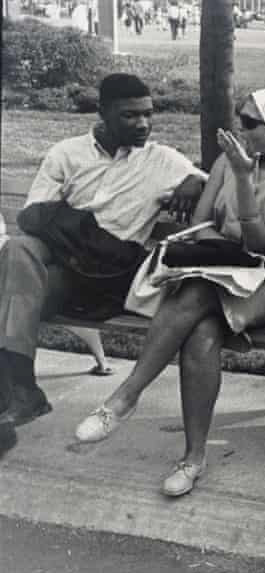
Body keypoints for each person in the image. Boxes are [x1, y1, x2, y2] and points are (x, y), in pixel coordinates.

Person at [74, 86, 265, 498]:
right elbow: (204, 220)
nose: (239, 130)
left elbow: (261, 243)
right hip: (218, 269)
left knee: (196, 295)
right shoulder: (228, 162)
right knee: (203, 333)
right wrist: (218, 249)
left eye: (249, 123)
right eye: (240, 120)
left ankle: (125, 397)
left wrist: (243, 179)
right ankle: (192, 459)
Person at [0, 74, 205, 429]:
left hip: (107, 276)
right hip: (60, 264)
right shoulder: (67, 153)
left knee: (12, 293)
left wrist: (195, 180)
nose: (143, 124)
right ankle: (21, 392)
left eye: (148, 114)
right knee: (19, 248)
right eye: (130, 115)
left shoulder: (163, 160)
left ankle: (21, 392)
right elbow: (33, 216)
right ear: (103, 113)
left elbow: (215, 180)